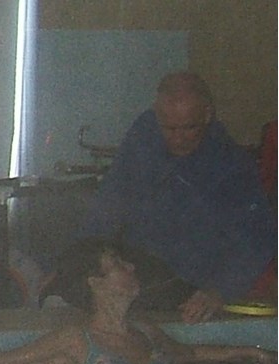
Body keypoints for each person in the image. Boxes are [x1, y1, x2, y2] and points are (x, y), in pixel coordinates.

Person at [0, 239, 275, 364]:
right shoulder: (76, 340)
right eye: (119, 265)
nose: (132, 268)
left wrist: (251, 352)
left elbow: (191, 354)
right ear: (95, 282)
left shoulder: (146, 332)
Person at [79, 71, 276, 323]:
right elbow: (107, 205)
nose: (178, 138)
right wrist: (76, 263)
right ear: (156, 115)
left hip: (195, 293)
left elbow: (258, 238)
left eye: (189, 128)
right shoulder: (143, 137)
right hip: (138, 286)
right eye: (169, 128)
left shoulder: (232, 166)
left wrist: (219, 291)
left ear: (207, 114)